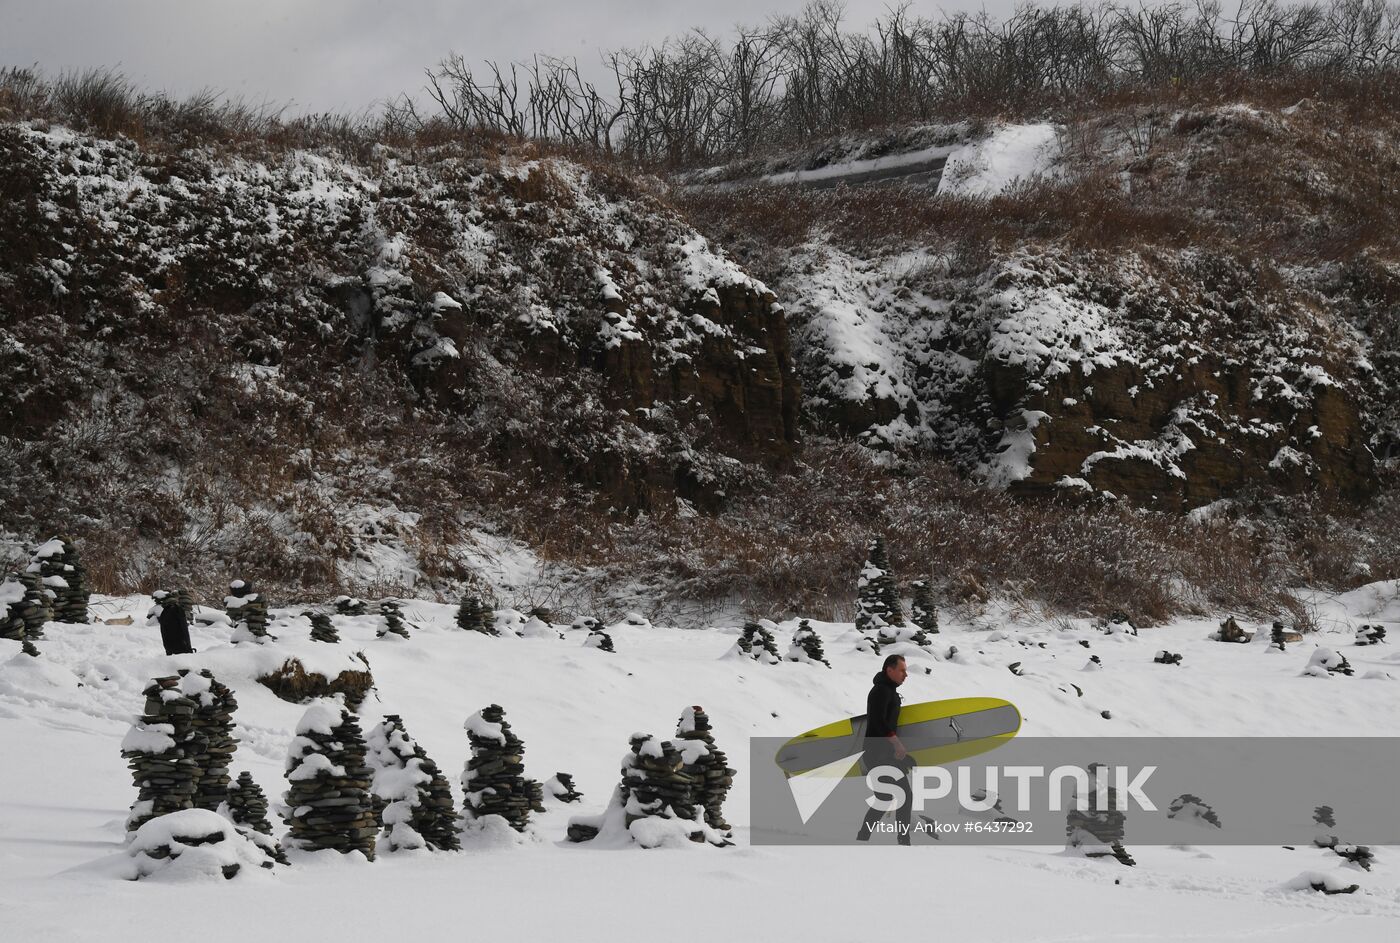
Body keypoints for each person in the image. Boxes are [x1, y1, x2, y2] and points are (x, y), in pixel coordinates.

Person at [857, 653, 914, 844]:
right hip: (876, 753)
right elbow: (878, 723)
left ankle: (862, 838)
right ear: (889, 670)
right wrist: (896, 743)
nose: (905, 675)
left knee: (886, 797)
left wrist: (901, 756)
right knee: (902, 795)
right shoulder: (881, 691)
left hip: (883, 753)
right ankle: (903, 842)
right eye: (902, 670)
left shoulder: (889, 691)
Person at [154, 590, 194, 656]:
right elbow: (184, 630)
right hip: (182, 648)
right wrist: (188, 648)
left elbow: (164, 632)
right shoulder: (177, 609)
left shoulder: (164, 612)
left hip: (170, 649)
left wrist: (168, 650)